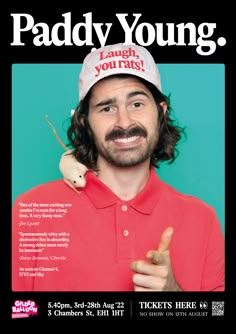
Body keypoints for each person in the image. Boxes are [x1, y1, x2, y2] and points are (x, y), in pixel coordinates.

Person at [12, 43, 225, 292]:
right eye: (107, 108)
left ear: (161, 112)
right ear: (84, 121)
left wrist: (175, 301)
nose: (124, 122)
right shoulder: (32, 212)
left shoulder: (203, 219)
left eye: (137, 104)